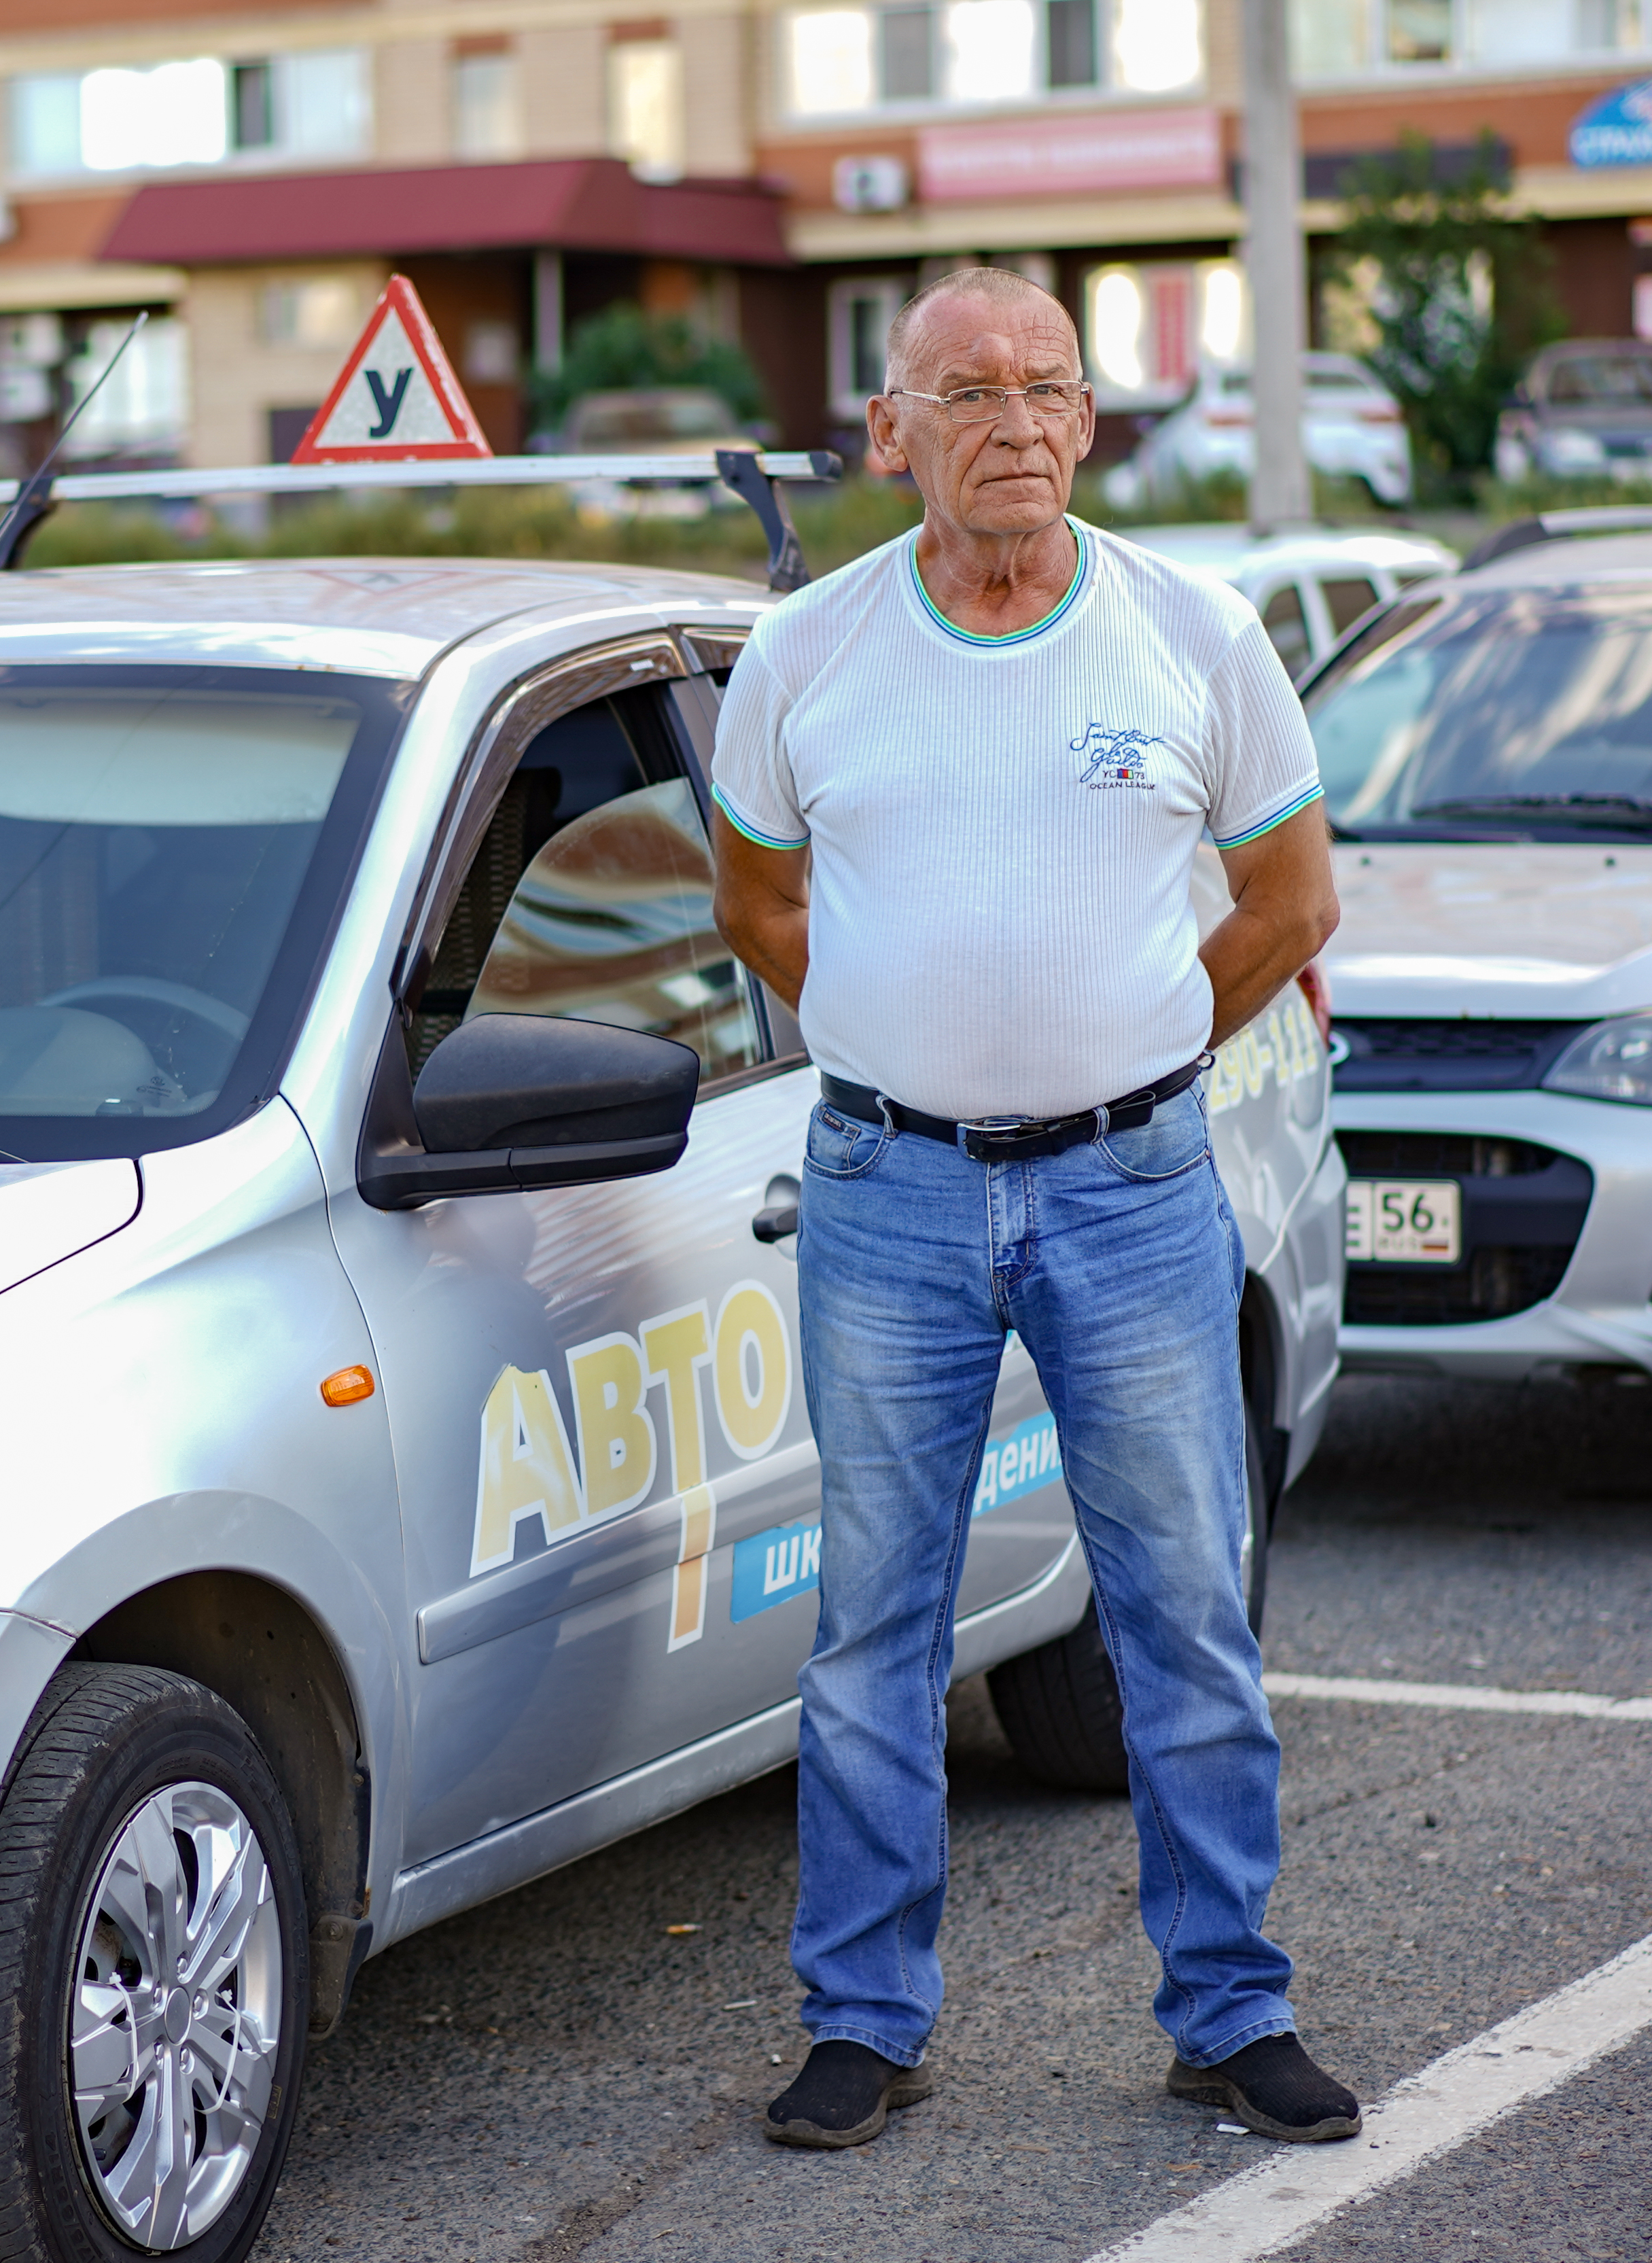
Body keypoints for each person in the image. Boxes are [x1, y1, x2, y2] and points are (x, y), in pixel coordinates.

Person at [707, 268, 1359, 2152]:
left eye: (1047, 389)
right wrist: (910, 1028)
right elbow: (755, 909)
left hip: (1137, 1184)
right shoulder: (808, 656)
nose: (1013, 424)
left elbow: (1293, 907)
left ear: (1090, 421)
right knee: (872, 1630)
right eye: (966, 392)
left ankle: (1232, 2007)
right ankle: (863, 2016)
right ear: (888, 431)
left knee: (1181, 1618)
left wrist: (1137, 1045)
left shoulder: (1192, 634)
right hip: (887, 1191)